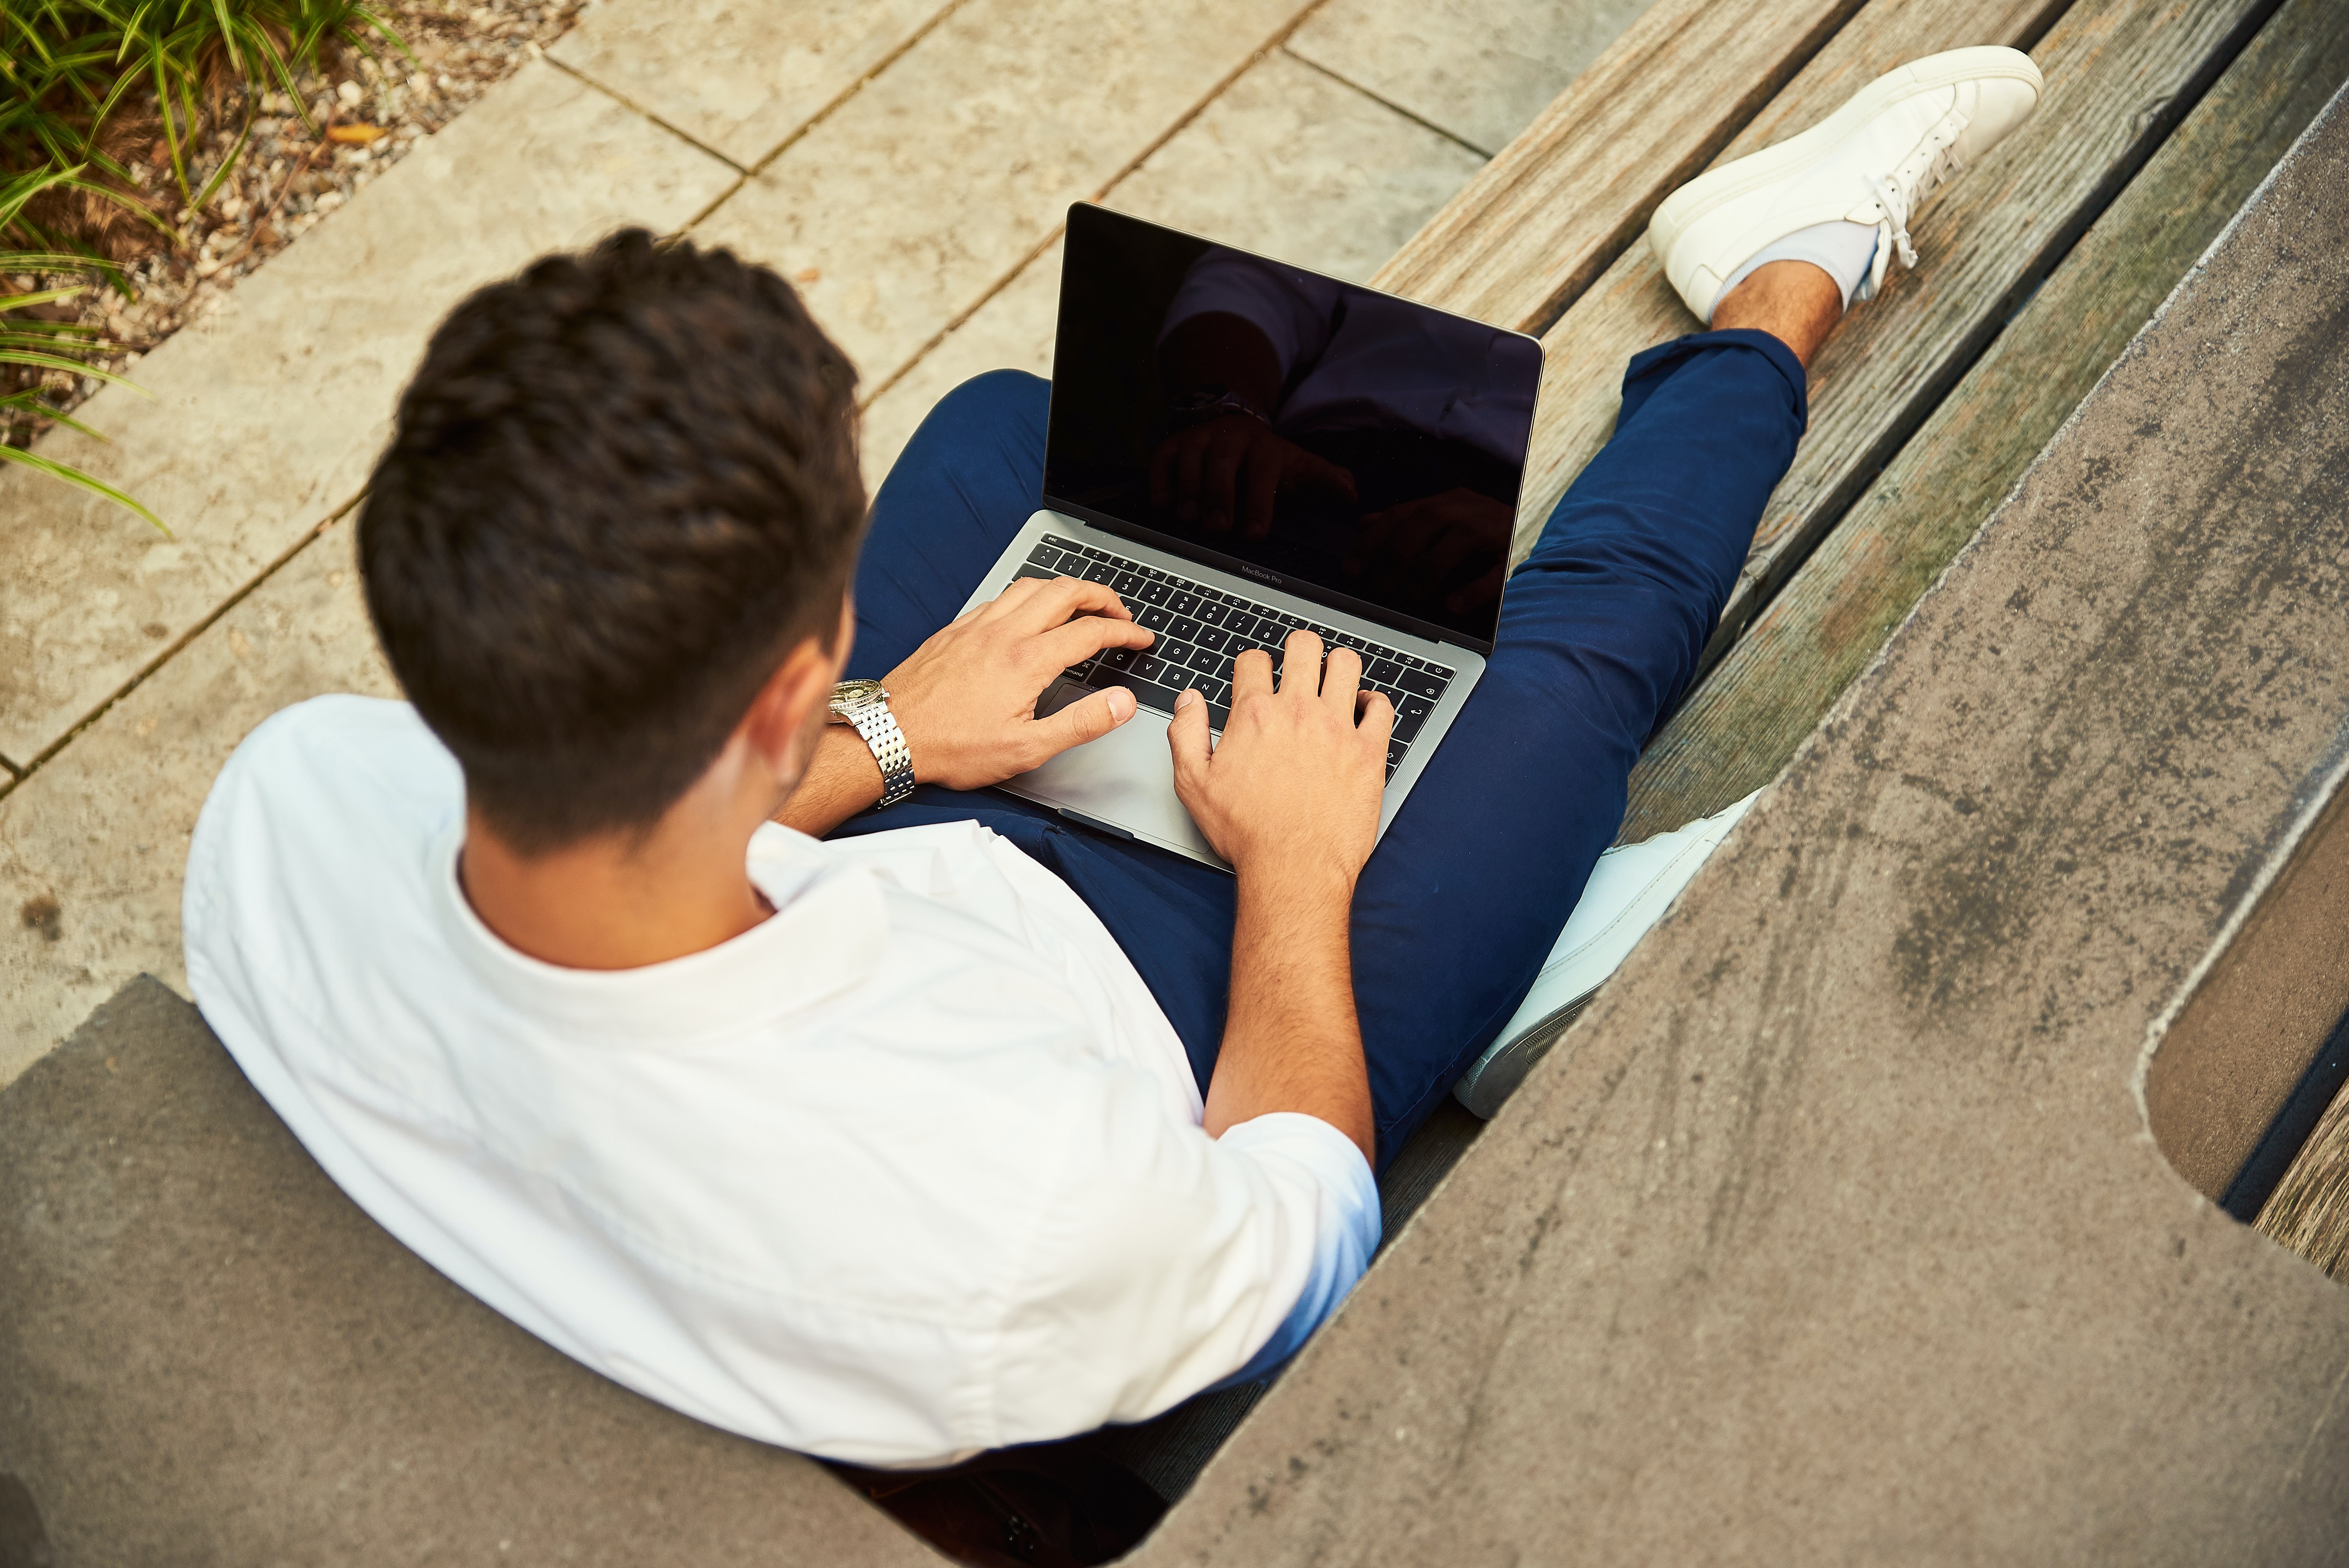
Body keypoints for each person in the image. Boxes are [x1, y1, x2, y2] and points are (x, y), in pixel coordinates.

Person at [182, 50, 2040, 1469]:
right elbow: (1299, 1247)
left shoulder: (293, 808)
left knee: (1010, 441)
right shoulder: (1018, 1222)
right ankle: (1783, 277)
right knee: (1579, 641)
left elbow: (613, 874)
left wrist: (891, 731)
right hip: (1183, 1003)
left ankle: (1487, 862)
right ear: (768, 691)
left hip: (882, 850)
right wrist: (1303, 867)